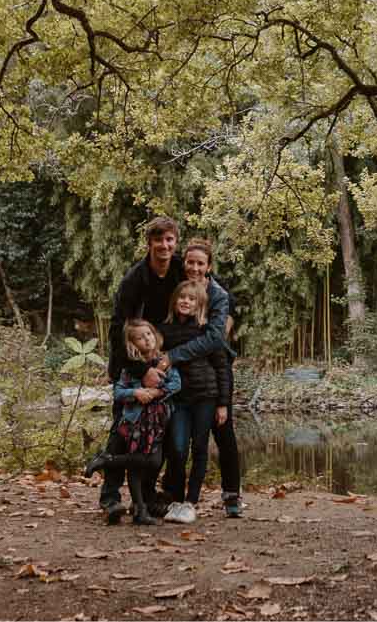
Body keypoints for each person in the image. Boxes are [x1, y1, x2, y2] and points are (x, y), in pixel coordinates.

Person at [99, 215, 234, 522]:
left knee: (157, 434)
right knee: (123, 431)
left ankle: (148, 498)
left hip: (165, 359)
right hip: (132, 358)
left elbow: (215, 290)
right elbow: (118, 329)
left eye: (170, 240)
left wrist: (227, 317)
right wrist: (140, 368)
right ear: (149, 244)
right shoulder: (135, 279)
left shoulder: (178, 269)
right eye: (158, 240)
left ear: (175, 242)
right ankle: (109, 497)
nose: (164, 245)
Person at [82, 319, 181, 525]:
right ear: (132, 344)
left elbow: (176, 384)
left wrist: (155, 392)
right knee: (138, 463)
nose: (146, 339)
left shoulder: (163, 361)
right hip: (135, 422)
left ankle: (106, 460)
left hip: (156, 423)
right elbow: (118, 391)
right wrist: (135, 392)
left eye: (149, 334)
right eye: (139, 337)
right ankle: (141, 511)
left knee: (151, 462)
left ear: (155, 335)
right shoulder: (132, 367)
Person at [156, 279, 230, 523]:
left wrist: (222, 403)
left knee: (200, 449)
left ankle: (191, 502)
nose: (186, 301)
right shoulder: (164, 331)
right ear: (174, 300)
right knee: (177, 449)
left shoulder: (207, 332)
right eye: (182, 297)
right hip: (178, 399)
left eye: (192, 298)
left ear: (200, 304)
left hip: (205, 397)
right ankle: (176, 499)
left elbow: (221, 367)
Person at [181, 236, 245, 518]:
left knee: (224, 432)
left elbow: (215, 340)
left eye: (200, 263)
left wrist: (175, 352)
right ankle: (172, 495)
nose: (194, 268)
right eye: (190, 262)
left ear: (209, 266)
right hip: (186, 373)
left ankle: (232, 496)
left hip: (217, 367)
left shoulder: (218, 295)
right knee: (180, 439)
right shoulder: (179, 287)